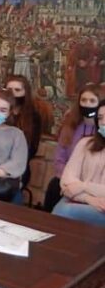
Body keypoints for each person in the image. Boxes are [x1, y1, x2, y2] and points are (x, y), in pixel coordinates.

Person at [44, 84, 103, 212]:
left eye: (92, 101)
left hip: (94, 183)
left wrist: (82, 186)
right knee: (54, 187)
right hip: (68, 178)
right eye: (84, 100)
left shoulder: (101, 131)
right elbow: (59, 159)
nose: (87, 104)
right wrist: (69, 181)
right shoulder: (70, 127)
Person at [52, 100, 105, 227]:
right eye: (100, 118)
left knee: (65, 212)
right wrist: (88, 198)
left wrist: (83, 186)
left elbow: (75, 187)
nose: (103, 122)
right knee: (61, 210)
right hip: (79, 198)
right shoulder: (85, 143)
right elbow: (67, 182)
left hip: (100, 206)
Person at [5, 74, 42, 188]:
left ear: (25, 93)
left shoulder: (33, 117)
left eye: (17, 90)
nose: (13, 93)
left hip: (18, 165)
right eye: (9, 89)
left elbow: (32, 148)